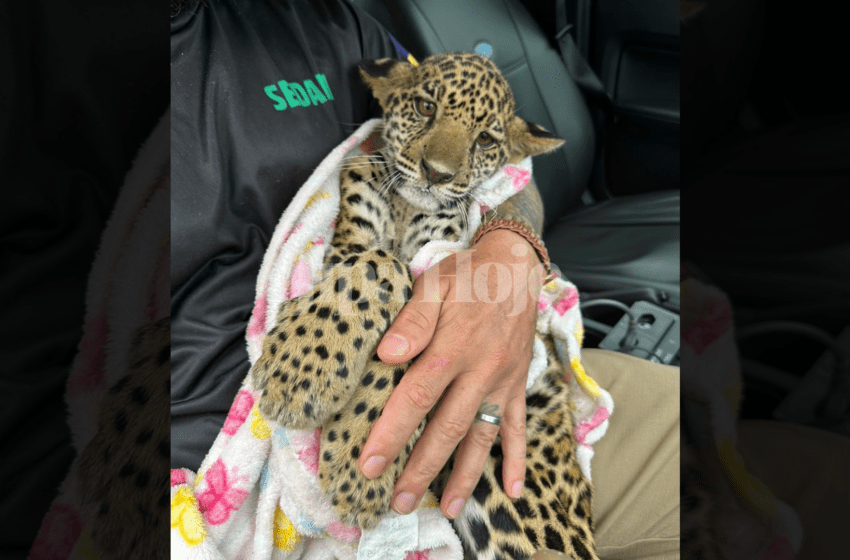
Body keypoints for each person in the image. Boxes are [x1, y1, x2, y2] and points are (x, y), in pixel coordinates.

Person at [170, 1, 680, 558]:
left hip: (476, 377)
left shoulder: (329, 24)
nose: (439, 161)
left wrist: (511, 255)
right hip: (242, 473)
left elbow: (506, 171)